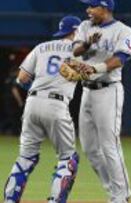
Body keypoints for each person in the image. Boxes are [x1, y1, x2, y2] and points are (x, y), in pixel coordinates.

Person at [3, 15, 81, 202]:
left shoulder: (41, 47)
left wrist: (37, 92)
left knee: (25, 158)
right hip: (56, 104)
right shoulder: (79, 51)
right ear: (75, 31)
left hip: (32, 103)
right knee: (68, 159)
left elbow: (21, 78)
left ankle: (9, 200)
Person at [72, 0, 131, 202]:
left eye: (92, 6)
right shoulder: (84, 26)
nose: (88, 10)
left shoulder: (122, 30)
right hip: (87, 91)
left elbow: (120, 59)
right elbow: (75, 52)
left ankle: (122, 195)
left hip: (109, 90)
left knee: (110, 145)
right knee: (90, 149)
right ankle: (114, 193)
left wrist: (95, 68)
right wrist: (88, 44)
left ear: (105, 7)